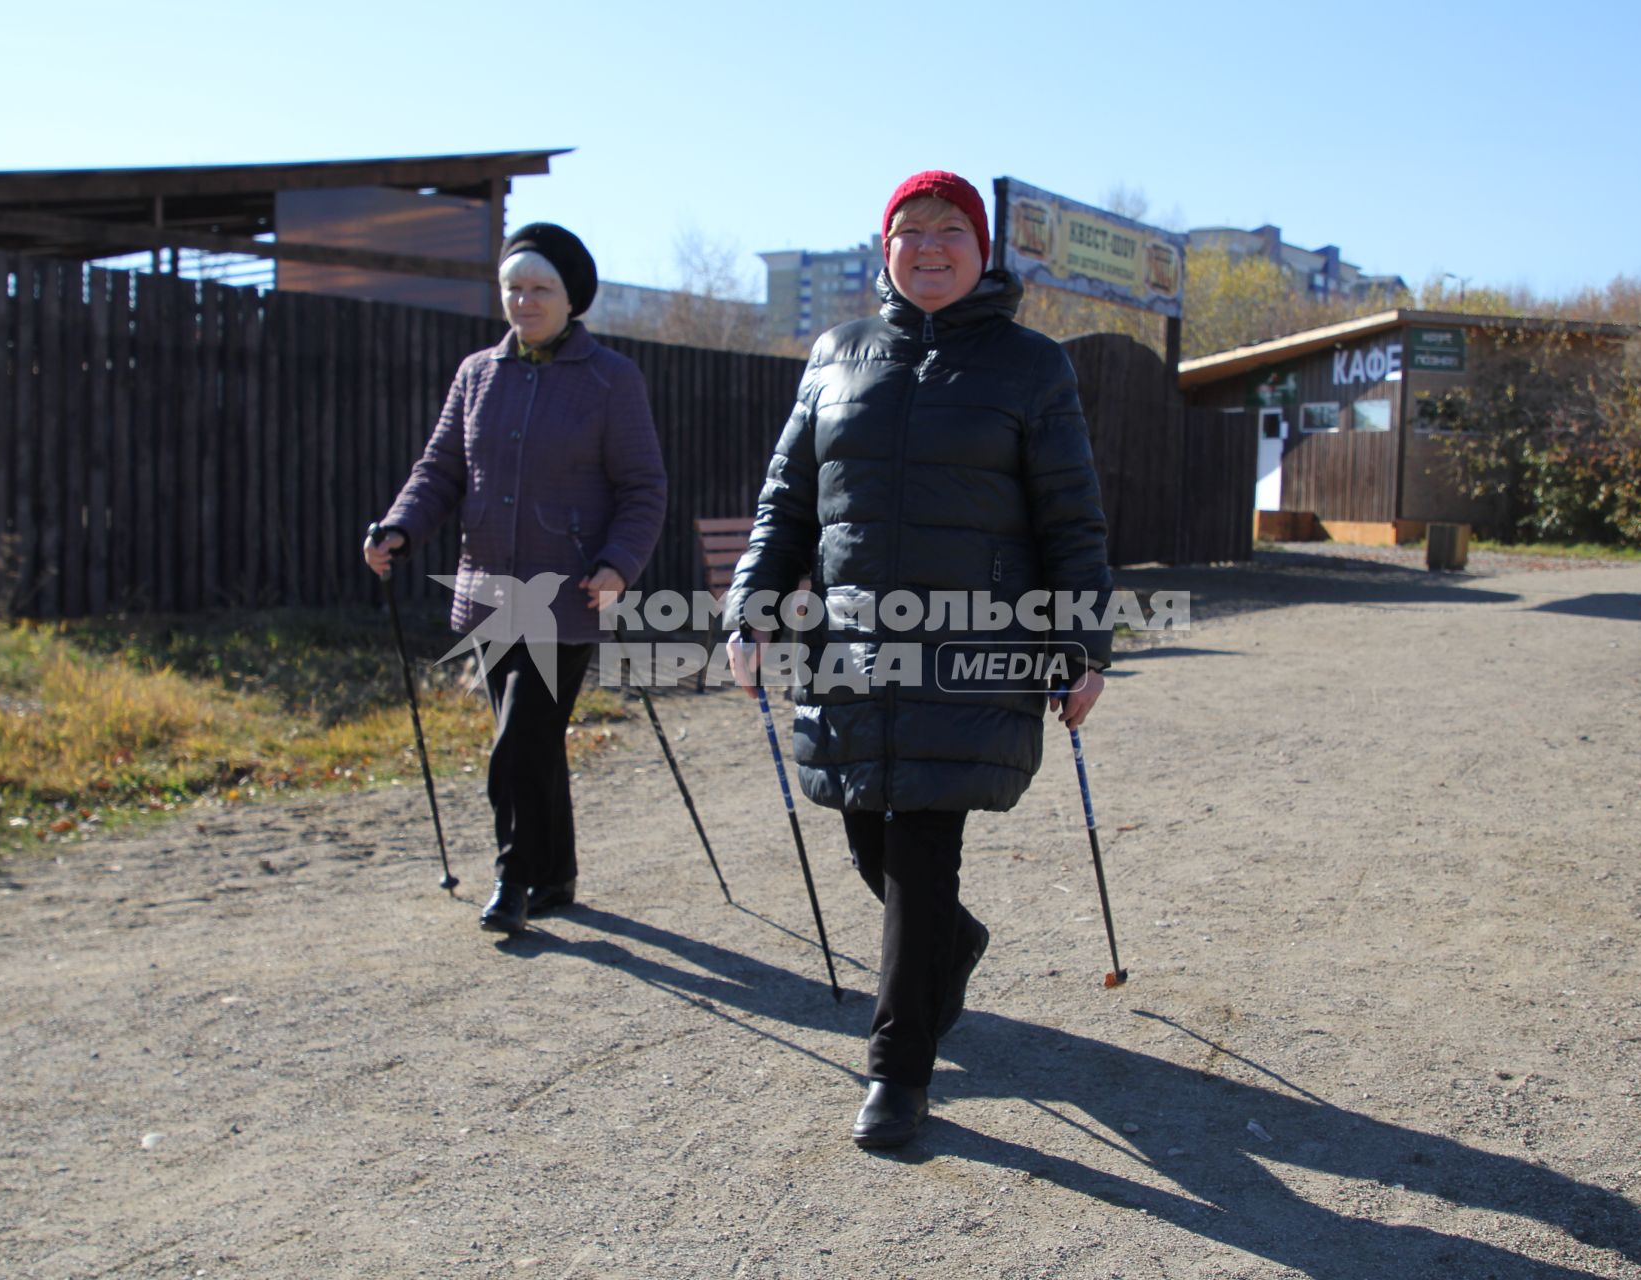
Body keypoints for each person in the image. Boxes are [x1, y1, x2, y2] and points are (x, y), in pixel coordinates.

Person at [725, 172, 1113, 1149]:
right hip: (851, 646)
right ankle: (954, 942)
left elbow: (1072, 516)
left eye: (951, 230)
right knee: (869, 840)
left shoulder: (1034, 365)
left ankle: (898, 1069)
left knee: (922, 840)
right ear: (883, 246)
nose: (930, 246)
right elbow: (789, 504)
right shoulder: (837, 353)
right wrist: (750, 608)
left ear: (982, 248)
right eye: (910, 231)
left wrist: (1082, 644)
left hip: (974, 647)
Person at [365, 223, 667, 935]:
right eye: (514, 289)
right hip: (487, 596)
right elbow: (440, 471)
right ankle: (556, 872)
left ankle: (515, 875)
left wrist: (619, 564)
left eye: (541, 289)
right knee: (529, 737)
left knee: (520, 739)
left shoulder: (610, 380)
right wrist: (400, 527)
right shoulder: (477, 374)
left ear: (572, 298)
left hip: (568, 596)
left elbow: (643, 489)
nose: (525, 301)